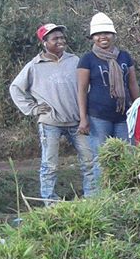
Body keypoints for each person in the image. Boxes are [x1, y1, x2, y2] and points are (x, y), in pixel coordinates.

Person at [10, 23, 97, 202]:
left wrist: (86, 115)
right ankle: (50, 202)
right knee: (50, 165)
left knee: (90, 161)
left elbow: (87, 87)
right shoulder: (34, 66)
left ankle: (92, 198)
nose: (60, 41)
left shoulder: (74, 60)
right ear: (44, 42)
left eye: (61, 37)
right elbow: (16, 88)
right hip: (50, 123)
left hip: (77, 121)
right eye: (55, 38)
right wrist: (32, 108)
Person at [76, 12, 140, 160]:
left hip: (124, 116)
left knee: (128, 157)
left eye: (106, 33)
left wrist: (139, 109)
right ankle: (102, 185)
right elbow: (82, 90)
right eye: (98, 34)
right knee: (102, 159)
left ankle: (125, 184)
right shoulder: (87, 59)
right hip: (98, 117)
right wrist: (83, 118)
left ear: (113, 35)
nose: (102, 37)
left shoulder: (124, 56)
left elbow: (132, 84)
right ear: (92, 37)